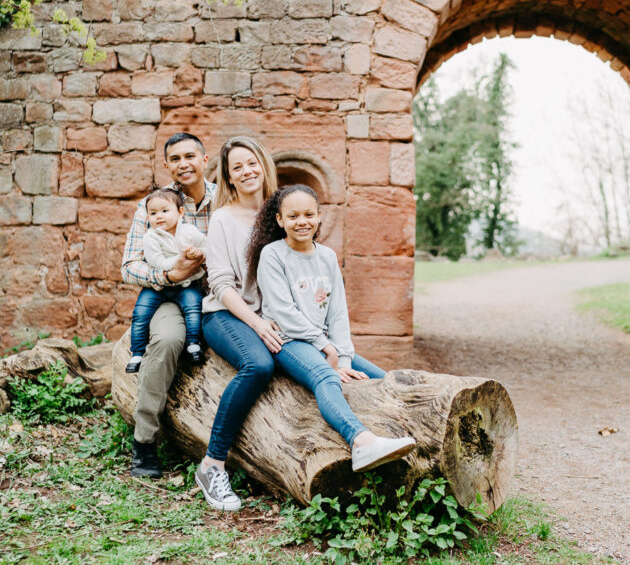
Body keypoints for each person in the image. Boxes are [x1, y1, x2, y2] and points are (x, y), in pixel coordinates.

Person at [245, 184, 417, 474]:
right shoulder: (273, 255)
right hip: (288, 342)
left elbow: (337, 312)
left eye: (309, 214)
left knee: (382, 378)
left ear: (319, 216)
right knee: (326, 376)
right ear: (280, 220)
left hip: (326, 343)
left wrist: (344, 357)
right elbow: (284, 313)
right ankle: (361, 441)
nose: (302, 222)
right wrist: (326, 349)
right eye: (294, 216)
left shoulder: (326, 256)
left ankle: (412, 435)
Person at [193, 136, 282, 512]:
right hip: (224, 314)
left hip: (274, 317)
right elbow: (222, 285)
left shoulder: (279, 213)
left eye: (251, 163)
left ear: (263, 164)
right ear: (228, 179)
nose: (247, 172)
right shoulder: (223, 219)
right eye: (237, 168)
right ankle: (212, 465)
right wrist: (259, 325)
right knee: (259, 364)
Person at [121, 133, 216, 478]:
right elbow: (129, 266)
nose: (183, 164)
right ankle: (144, 443)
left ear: (206, 160)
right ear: (167, 165)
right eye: (175, 159)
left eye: (190, 156)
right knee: (166, 342)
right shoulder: (154, 204)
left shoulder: (224, 198)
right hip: (169, 294)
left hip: (221, 294)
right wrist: (170, 274)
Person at [126, 188, 207, 374]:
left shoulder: (189, 231)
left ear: (180, 213)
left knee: (194, 308)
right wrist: (179, 261)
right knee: (140, 313)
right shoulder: (150, 237)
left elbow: (207, 246)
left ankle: (193, 344)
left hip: (186, 284)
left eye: (164, 211)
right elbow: (158, 263)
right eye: (153, 213)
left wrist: (200, 254)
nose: (159, 217)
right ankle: (137, 352)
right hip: (158, 286)